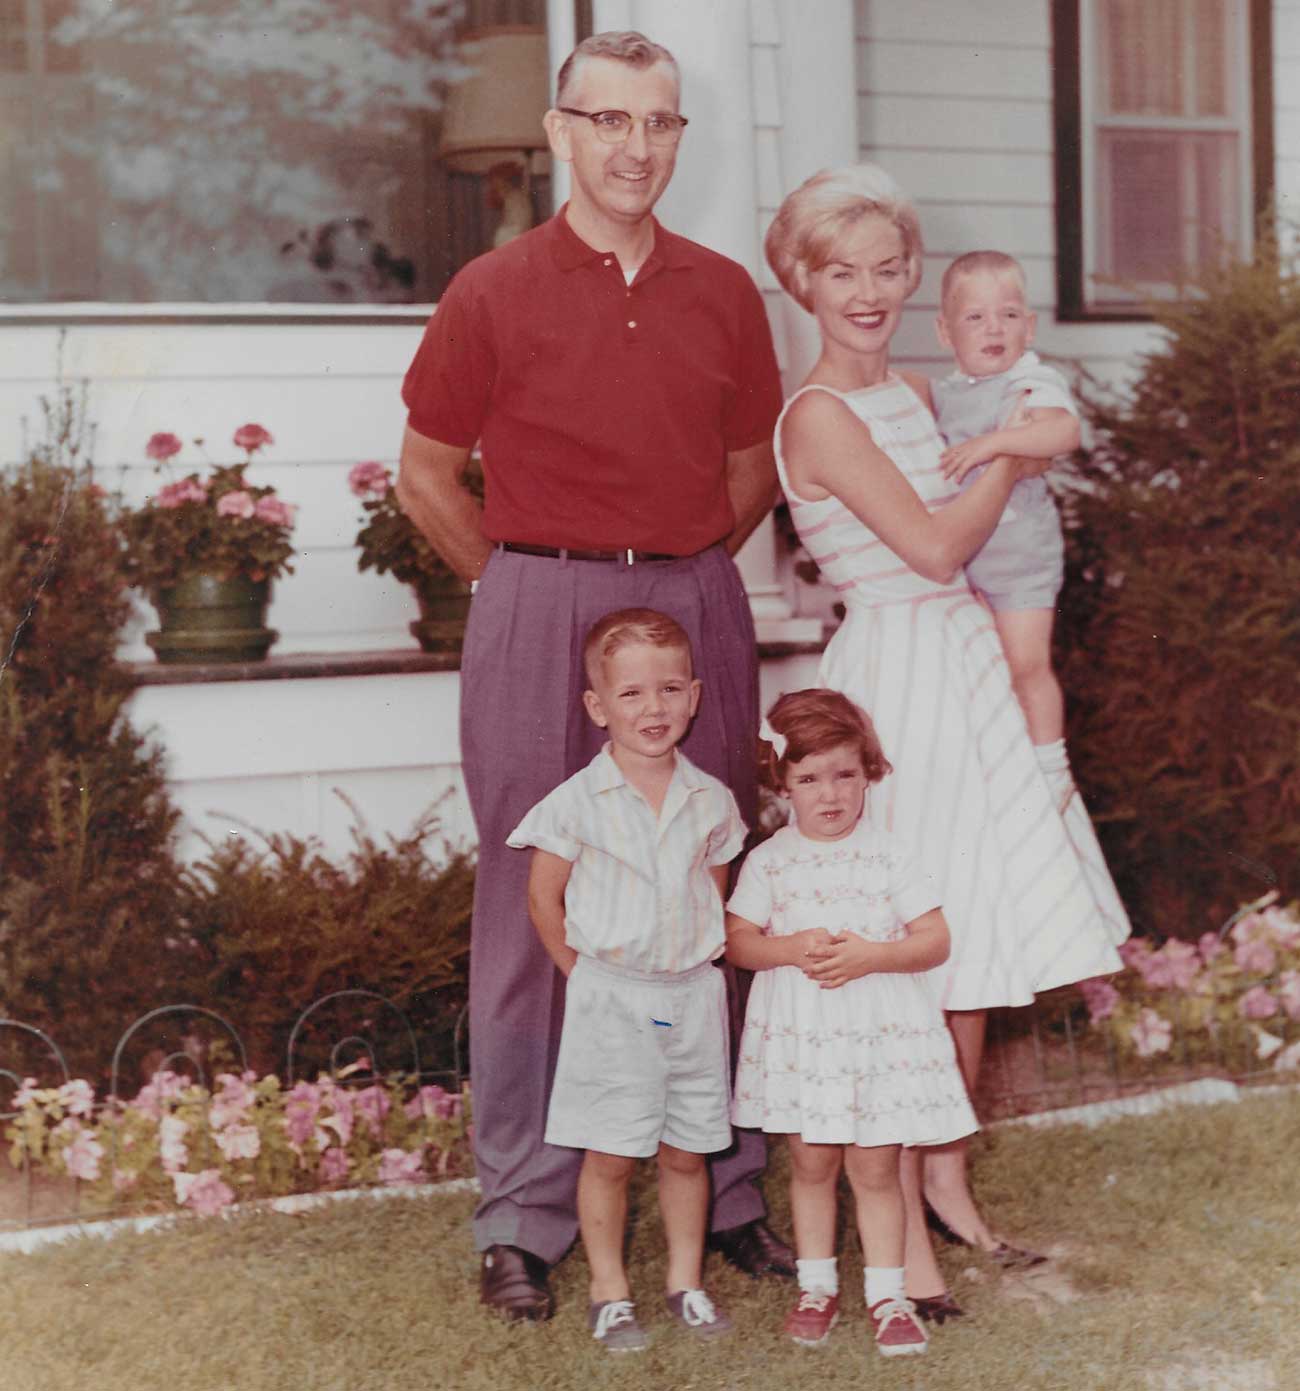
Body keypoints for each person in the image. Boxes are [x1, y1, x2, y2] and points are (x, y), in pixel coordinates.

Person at [395, 30, 792, 1320]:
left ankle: (720, 1190)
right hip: (534, 597)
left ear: (681, 137)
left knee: (700, 884)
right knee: (533, 905)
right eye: (608, 120)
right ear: (561, 132)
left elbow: (746, 474)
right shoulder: (493, 288)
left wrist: (668, 582)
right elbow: (426, 473)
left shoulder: (726, 291)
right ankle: (524, 1209)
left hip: (689, 595)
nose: (635, 146)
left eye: (660, 123)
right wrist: (517, 588)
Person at [763, 163, 1131, 1317]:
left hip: (967, 661)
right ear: (801, 283)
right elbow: (929, 549)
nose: (866, 292)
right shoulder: (817, 413)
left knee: (968, 937)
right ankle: (903, 1236)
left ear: (910, 275)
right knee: (907, 940)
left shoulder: (918, 395)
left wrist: (1021, 436)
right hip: (899, 671)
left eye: (886, 269)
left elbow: (1019, 448)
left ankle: (946, 1181)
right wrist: (1020, 455)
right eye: (840, 273)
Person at [508, 609, 744, 1351]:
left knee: (687, 1147)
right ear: (597, 706)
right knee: (610, 1150)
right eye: (633, 694)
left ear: (696, 696)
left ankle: (686, 1281)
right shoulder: (578, 801)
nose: (654, 708)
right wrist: (585, 975)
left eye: (670, 689)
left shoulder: (710, 799)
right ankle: (610, 1291)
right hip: (613, 994)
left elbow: (712, 889)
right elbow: (544, 898)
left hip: (690, 996)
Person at [726, 690, 976, 1357]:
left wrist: (874, 955)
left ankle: (889, 1294)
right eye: (808, 778)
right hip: (809, 1043)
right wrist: (788, 946)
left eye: (845, 774)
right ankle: (816, 1286)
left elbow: (934, 939)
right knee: (810, 1164)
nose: (829, 793)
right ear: (782, 783)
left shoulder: (890, 855)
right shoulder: (771, 860)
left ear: (868, 772)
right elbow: (738, 940)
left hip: (875, 1042)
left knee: (875, 1167)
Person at [932, 249, 1079, 771]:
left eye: (1009, 315)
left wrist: (996, 443)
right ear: (945, 333)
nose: (994, 328)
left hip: (1020, 562)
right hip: (968, 562)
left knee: (1027, 663)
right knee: (986, 675)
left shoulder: (1030, 382)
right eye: (975, 317)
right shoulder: (948, 392)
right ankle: (1005, 763)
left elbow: (1064, 431)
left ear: (1030, 327)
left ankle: (1050, 763)